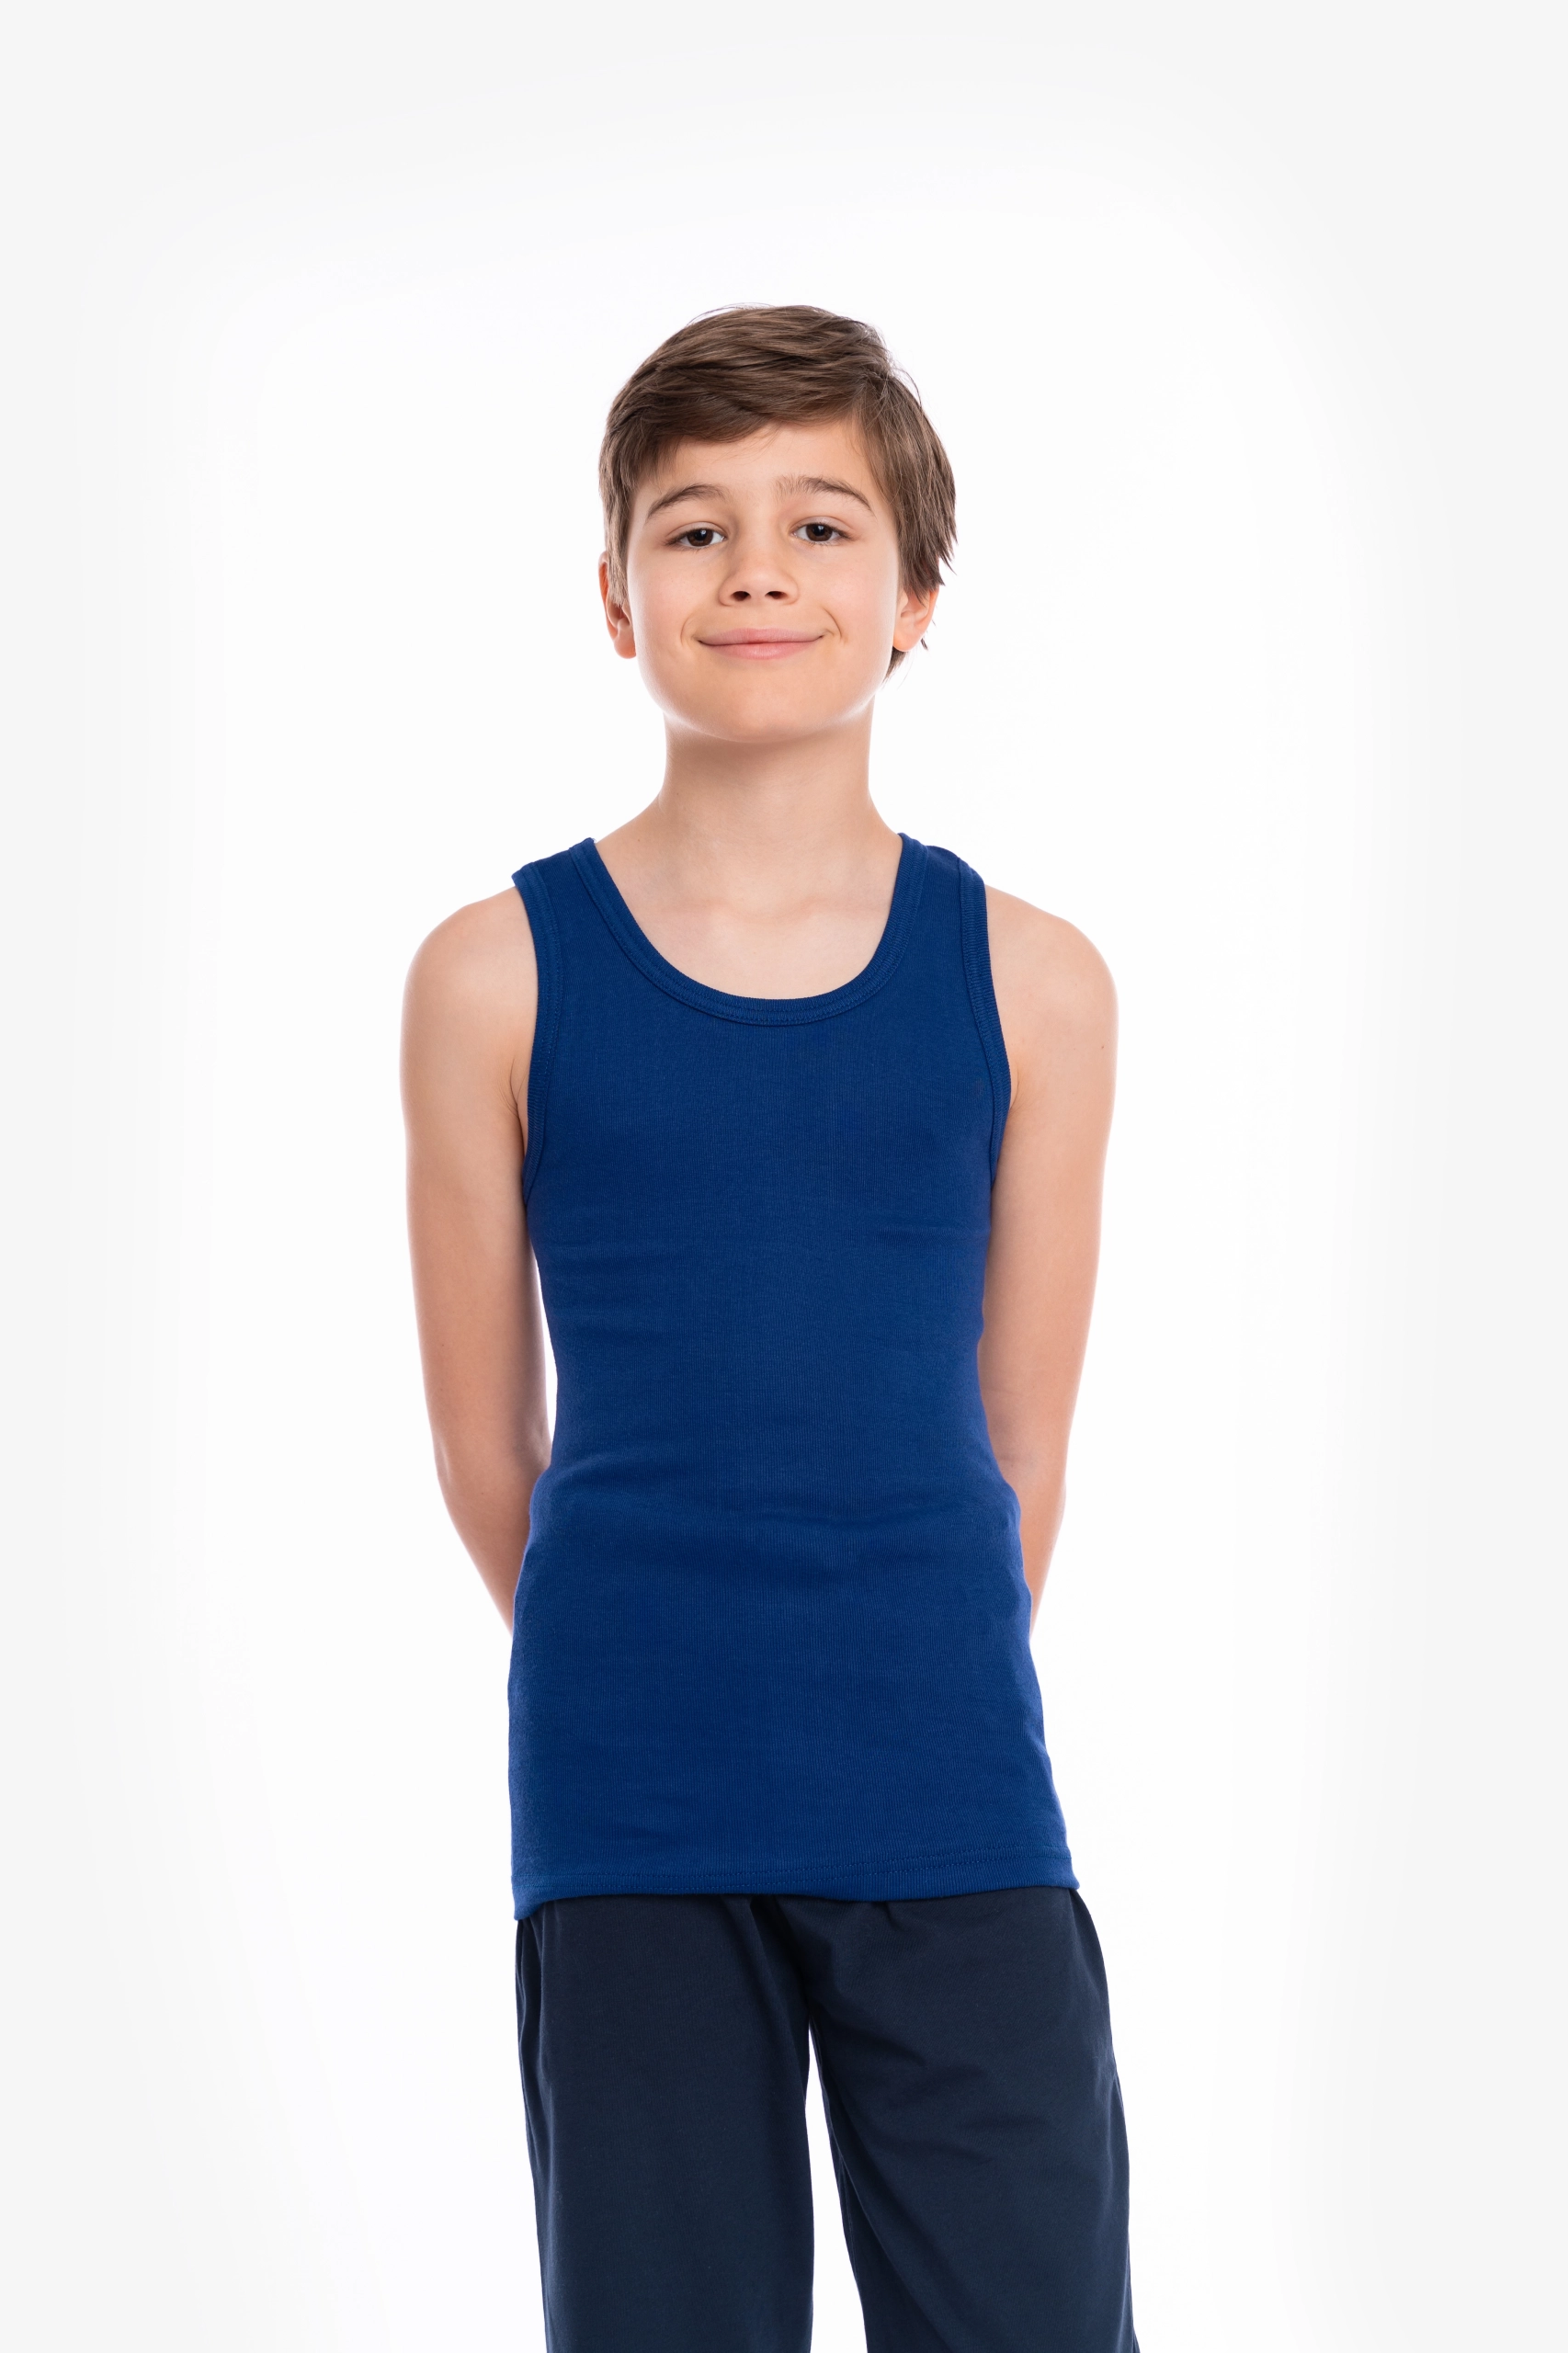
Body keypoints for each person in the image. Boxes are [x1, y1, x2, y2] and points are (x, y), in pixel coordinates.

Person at [401, 304, 1136, 2353]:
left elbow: (1023, 1441)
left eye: (820, 525)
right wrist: (657, 1668)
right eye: (693, 526)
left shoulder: (1033, 981)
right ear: (615, 598)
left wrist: (888, 1664)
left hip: (951, 1780)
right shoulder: (491, 974)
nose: (755, 570)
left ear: (915, 600)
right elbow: (484, 1449)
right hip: (626, 1796)